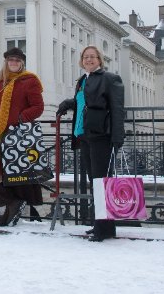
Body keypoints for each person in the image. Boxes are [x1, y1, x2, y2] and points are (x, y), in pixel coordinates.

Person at [56, 45, 125, 241]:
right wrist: (68, 103)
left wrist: (117, 138)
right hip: (84, 135)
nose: (89, 60)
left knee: (101, 182)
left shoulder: (109, 79)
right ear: (81, 60)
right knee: (95, 182)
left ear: (100, 60)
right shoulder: (83, 80)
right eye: (85, 57)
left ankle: (102, 227)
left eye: (93, 57)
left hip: (101, 136)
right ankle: (104, 225)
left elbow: (118, 109)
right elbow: (82, 102)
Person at [0, 47, 45, 226]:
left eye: (17, 61)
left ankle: (12, 206)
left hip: (16, 135)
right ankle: (11, 205)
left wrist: (20, 118)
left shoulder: (30, 81)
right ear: (6, 62)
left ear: (22, 63)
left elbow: (38, 107)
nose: (14, 63)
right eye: (11, 60)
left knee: (13, 174)